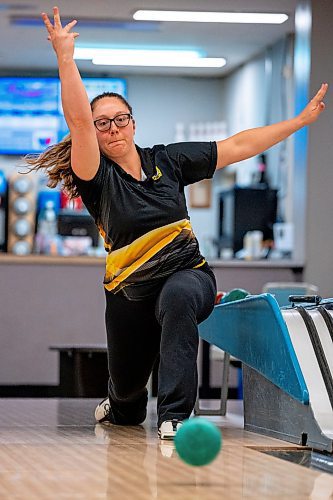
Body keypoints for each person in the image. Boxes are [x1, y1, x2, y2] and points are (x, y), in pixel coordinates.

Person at [28, 6, 328, 440]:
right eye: (102, 124)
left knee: (182, 295)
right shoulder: (95, 175)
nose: (112, 128)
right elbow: (76, 118)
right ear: (93, 132)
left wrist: (298, 123)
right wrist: (65, 58)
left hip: (187, 272)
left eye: (120, 119)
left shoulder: (166, 160)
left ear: (133, 123)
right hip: (129, 290)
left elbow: (238, 145)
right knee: (129, 402)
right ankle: (120, 401)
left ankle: (174, 416)